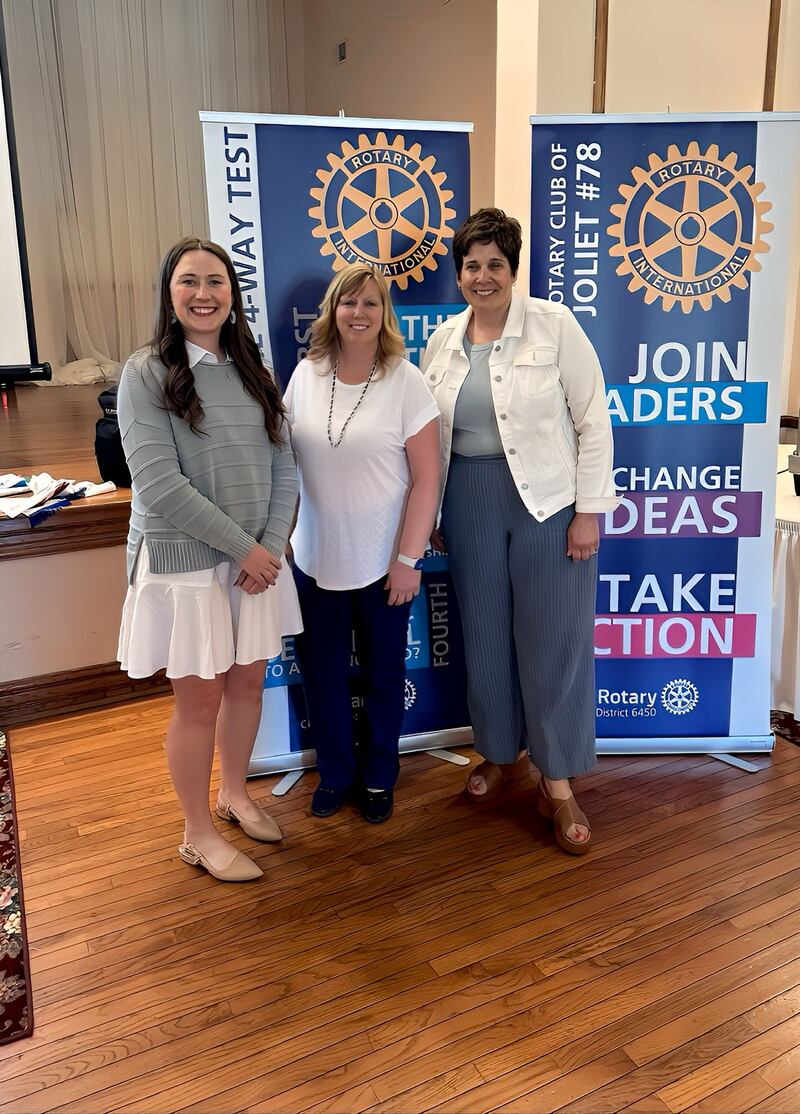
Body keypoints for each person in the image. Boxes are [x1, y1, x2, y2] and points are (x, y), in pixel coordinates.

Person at [421, 208, 617, 854]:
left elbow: (593, 421)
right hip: (470, 501)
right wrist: (436, 514)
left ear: (513, 268)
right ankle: (505, 758)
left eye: (494, 264)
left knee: (552, 642)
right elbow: (431, 438)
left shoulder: (554, 326)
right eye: (471, 265)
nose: (483, 276)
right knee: (484, 638)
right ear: (459, 273)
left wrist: (588, 511)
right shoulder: (442, 341)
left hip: (548, 502)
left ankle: (556, 783)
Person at [117, 237, 301, 882]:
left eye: (216, 281)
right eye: (189, 281)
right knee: (198, 703)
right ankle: (196, 832)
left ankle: (234, 794)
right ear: (169, 296)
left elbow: (285, 462)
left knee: (246, 686)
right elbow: (160, 485)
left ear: (233, 293)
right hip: (188, 564)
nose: (204, 293)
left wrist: (270, 546)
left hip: (254, 560)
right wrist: (246, 547)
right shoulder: (145, 373)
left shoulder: (253, 369)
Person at [284, 263, 440, 824]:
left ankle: (378, 775)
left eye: (370, 304)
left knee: (382, 675)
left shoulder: (406, 380)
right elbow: (287, 466)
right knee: (322, 676)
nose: (358, 313)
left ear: (384, 315)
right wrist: (280, 534)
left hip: (383, 562)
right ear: (332, 311)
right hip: (313, 558)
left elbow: (428, 480)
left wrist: (407, 560)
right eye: (348, 302)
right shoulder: (305, 376)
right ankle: (335, 773)